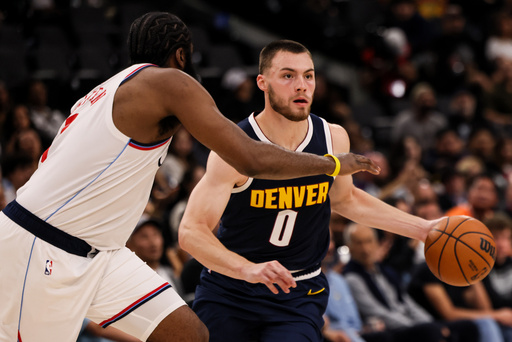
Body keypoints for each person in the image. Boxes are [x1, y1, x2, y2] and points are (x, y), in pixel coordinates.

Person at [0, 13, 380, 342]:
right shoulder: (170, 83)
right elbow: (248, 156)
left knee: (190, 333)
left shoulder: (114, 88)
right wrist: (330, 164)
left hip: (101, 253)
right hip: (43, 246)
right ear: (181, 55)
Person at [178, 39, 444, 342]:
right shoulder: (236, 147)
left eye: (309, 75)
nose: (302, 85)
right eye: (288, 76)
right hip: (230, 291)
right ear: (262, 83)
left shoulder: (333, 138)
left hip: (298, 292)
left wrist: (423, 229)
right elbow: (190, 232)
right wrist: (248, 269)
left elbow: (347, 200)